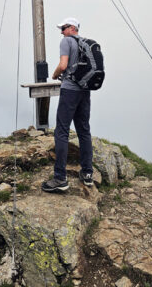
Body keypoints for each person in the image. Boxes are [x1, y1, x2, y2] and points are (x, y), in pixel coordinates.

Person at [42, 17, 94, 193]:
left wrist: (55, 74)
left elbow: (63, 65)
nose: (61, 32)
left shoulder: (67, 42)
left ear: (72, 28)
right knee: (84, 130)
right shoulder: (86, 44)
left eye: (63, 28)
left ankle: (60, 179)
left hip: (70, 90)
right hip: (85, 91)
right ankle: (87, 174)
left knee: (62, 131)